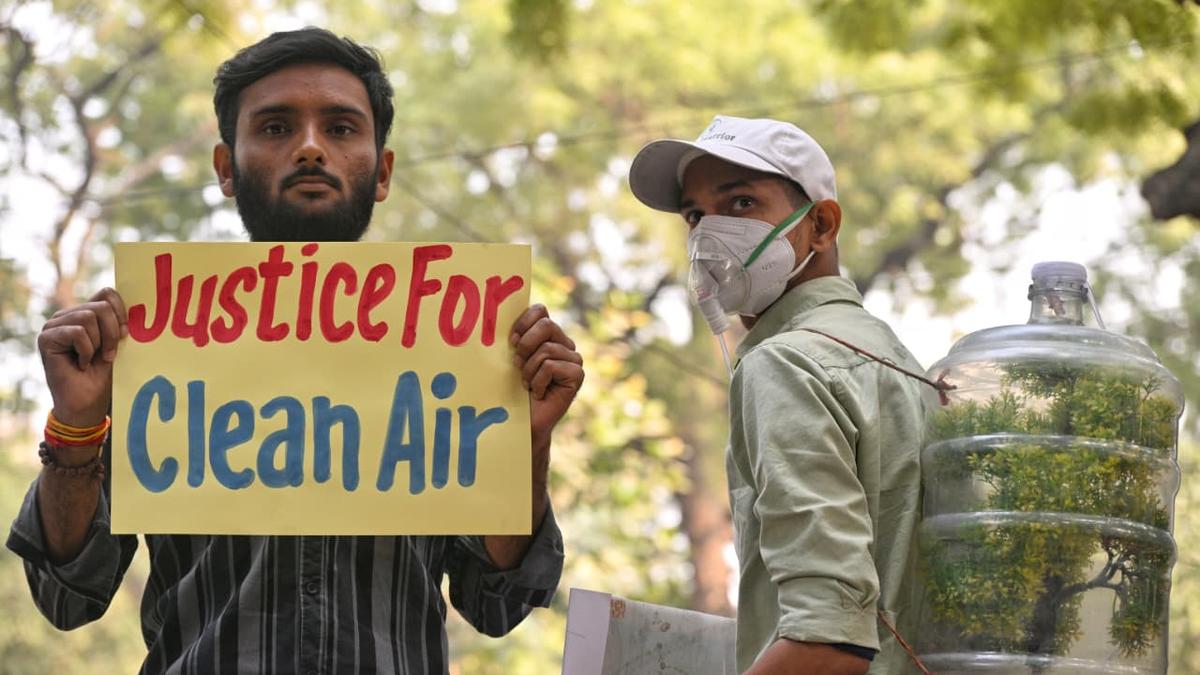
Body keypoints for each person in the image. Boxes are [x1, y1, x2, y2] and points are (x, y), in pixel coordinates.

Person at [6, 28, 584, 674]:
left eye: (340, 128)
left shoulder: (462, 348)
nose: (310, 148)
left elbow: (496, 601)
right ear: (226, 168)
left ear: (383, 170)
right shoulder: (148, 344)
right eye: (277, 127)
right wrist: (77, 425)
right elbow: (64, 594)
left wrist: (525, 443)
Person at [629, 116, 932, 674]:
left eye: (741, 203)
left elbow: (828, 642)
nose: (709, 233)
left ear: (820, 225)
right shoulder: (903, 365)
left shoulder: (784, 363)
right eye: (695, 214)